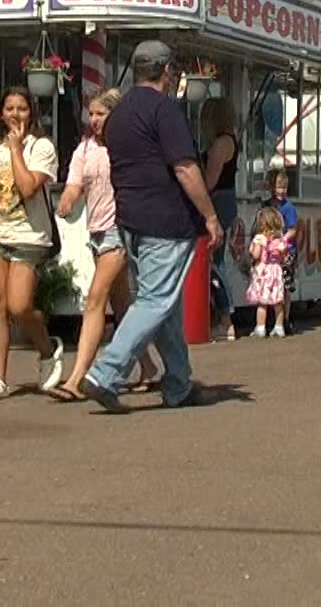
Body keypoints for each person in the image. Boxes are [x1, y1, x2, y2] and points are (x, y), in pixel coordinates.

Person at [78, 41, 223, 413]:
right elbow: (185, 168)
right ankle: (105, 373)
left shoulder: (119, 114)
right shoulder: (165, 110)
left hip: (130, 219)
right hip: (167, 220)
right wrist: (209, 215)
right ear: (168, 70)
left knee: (165, 306)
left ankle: (178, 384)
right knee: (156, 301)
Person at [52, 89, 157, 401]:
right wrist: (67, 200)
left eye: (101, 114)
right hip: (96, 233)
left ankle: (77, 378)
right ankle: (149, 367)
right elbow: (74, 185)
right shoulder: (85, 149)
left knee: (95, 300)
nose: (94, 120)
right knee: (122, 305)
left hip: (119, 231)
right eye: (92, 114)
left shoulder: (126, 148)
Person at [0, 87, 64, 401]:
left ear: (32, 113)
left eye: (22, 109)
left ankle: (47, 349)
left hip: (29, 236)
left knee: (19, 305)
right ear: (0, 113)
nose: (15, 114)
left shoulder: (42, 148)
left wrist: (15, 149)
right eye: (9, 108)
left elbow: (27, 189)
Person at [200, 96, 239, 342]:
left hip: (218, 200)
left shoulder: (219, 145)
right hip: (228, 199)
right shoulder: (232, 142)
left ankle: (226, 316)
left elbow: (209, 181)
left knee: (214, 261)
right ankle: (222, 317)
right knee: (216, 259)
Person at [245, 208, 291, 338]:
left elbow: (256, 255)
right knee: (278, 302)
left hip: (263, 272)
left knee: (262, 303)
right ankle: (279, 327)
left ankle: (260, 327)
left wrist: (253, 249)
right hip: (276, 271)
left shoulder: (259, 238)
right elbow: (283, 258)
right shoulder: (280, 240)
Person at [266, 165, 301, 332]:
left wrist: (282, 240)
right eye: (278, 187)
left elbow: (293, 229)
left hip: (286, 253)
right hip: (268, 253)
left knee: (285, 286)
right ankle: (269, 319)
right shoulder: (266, 207)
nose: (281, 191)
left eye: (284, 187)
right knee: (268, 284)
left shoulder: (288, 208)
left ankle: (285, 318)